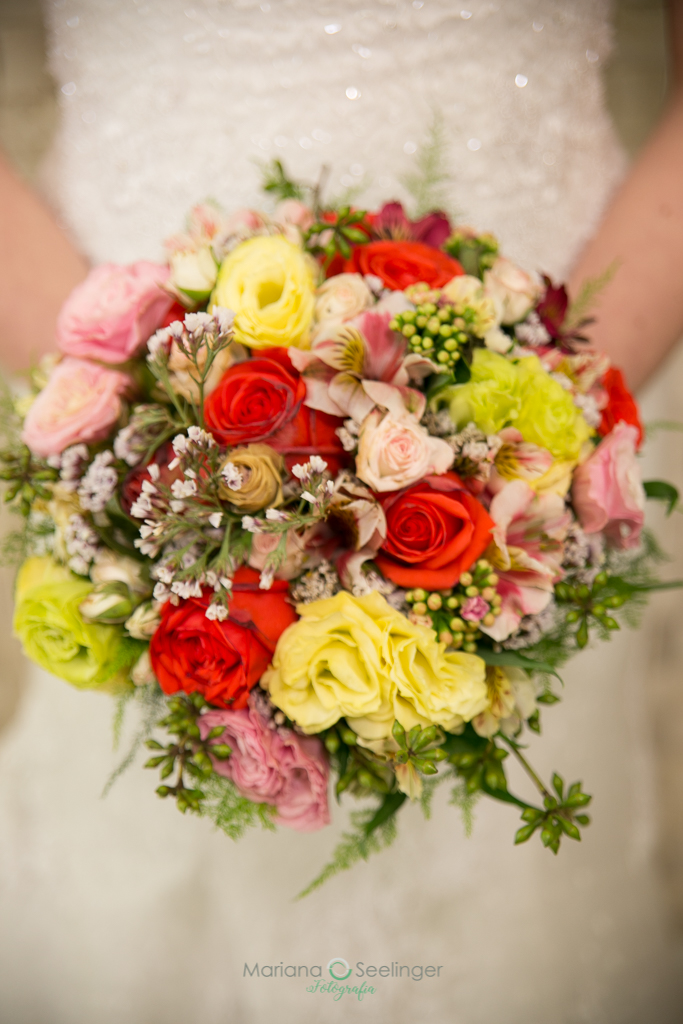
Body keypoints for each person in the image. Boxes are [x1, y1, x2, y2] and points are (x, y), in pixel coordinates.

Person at [0, 2, 682, 1022]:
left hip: (557, 339)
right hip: (112, 341)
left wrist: (556, 437)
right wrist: (122, 419)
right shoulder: (141, 444)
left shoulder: (541, 447)